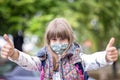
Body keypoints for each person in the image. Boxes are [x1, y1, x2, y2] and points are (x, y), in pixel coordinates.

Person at [0, 18, 118, 80]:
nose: (58, 43)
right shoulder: (43, 59)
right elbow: (29, 62)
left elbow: (93, 59)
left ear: (69, 40)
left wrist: (106, 57)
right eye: (54, 40)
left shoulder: (78, 59)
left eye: (62, 39)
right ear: (49, 41)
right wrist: (14, 54)